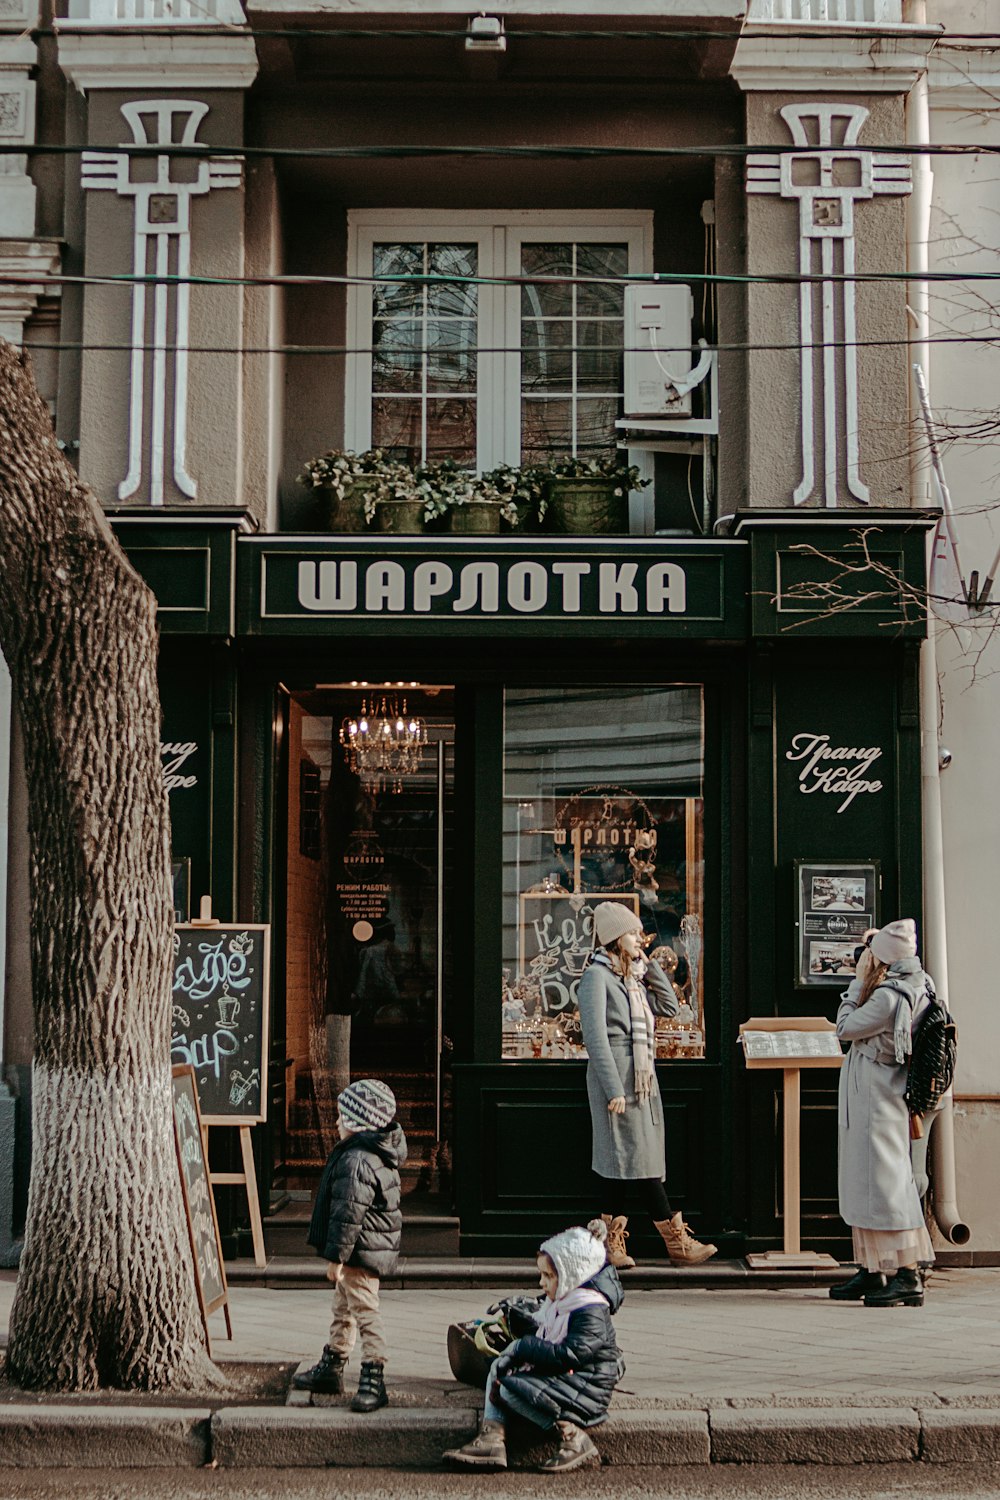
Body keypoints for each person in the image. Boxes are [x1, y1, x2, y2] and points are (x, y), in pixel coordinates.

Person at [577, 901, 716, 1268]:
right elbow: (595, 1037)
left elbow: (669, 1006)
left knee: (627, 1159)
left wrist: (649, 963)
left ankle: (610, 1243)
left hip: (642, 1074)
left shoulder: (632, 976)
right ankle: (675, 1241)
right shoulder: (597, 976)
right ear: (615, 937)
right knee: (633, 1158)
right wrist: (613, 1089)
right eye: (634, 933)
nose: (641, 937)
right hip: (619, 1076)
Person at [443, 1219, 623, 1473]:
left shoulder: (589, 1310)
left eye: (549, 1276)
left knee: (509, 1391)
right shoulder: (562, 1303)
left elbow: (570, 1354)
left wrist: (524, 1348)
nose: (541, 1282)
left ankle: (573, 1436)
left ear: (572, 1276)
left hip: (587, 1386)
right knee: (499, 1366)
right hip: (568, 1378)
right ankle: (491, 1437)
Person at [831, 918, 935, 1308]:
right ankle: (872, 1266)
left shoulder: (888, 996)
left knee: (887, 1186)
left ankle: (907, 1273)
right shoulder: (920, 983)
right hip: (880, 1095)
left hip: (878, 1099)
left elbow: (845, 1027)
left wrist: (857, 984)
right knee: (869, 1182)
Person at [293, 1078, 407, 1410]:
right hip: (367, 1246)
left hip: (359, 1251)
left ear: (358, 1123)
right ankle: (333, 1363)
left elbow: (348, 1215)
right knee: (343, 1309)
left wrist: (336, 1259)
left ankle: (374, 1374)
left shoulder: (357, 1159)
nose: (336, 1122)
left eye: (342, 1117)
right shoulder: (374, 1152)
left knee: (365, 1313)